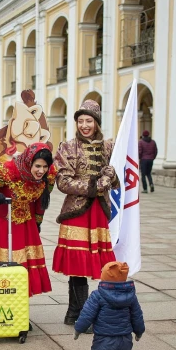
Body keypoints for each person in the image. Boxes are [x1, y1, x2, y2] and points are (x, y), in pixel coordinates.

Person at [52, 100, 119, 326]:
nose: (84, 125)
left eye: (88, 121)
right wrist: (93, 186)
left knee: (97, 264)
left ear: (97, 123)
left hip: (99, 212)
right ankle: (79, 313)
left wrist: (112, 175)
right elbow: (62, 181)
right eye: (80, 121)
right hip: (77, 212)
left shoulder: (109, 147)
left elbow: (118, 182)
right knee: (78, 264)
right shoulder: (67, 147)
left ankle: (77, 312)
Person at [0, 142, 56, 298]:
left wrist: (38, 222)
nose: (41, 171)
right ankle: (0, 296)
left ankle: (19, 302)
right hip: (3, 219)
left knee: (25, 261)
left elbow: (41, 201)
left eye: (45, 167)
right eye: (37, 166)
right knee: (4, 259)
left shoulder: (49, 175)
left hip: (27, 220)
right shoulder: (7, 171)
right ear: (29, 161)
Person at [73, 262, 145, 350]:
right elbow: (137, 315)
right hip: (125, 338)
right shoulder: (131, 296)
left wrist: (78, 329)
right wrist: (139, 330)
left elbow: (87, 315)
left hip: (104, 339)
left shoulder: (98, 295)